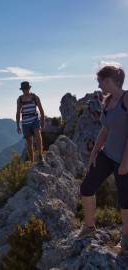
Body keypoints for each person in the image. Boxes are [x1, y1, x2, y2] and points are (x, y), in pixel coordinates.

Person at [78, 65, 128, 255]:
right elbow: (105, 130)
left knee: (125, 201)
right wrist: (93, 155)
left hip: (124, 159)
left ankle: (125, 241)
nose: (99, 85)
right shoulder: (107, 102)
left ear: (109, 80)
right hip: (107, 155)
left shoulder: (126, 98)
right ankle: (89, 227)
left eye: (100, 81)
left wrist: (125, 162)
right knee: (86, 187)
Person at [16, 81, 45, 164]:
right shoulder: (20, 99)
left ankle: (40, 156)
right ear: (22, 90)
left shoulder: (35, 97)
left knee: (38, 137)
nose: (25, 90)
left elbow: (41, 111)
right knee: (29, 143)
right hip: (25, 123)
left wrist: (42, 123)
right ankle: (32, 162)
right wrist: (18, 125)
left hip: (35, 120)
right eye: (23, 89)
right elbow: (18, 113)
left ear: (29, 88)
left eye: (26, 89)